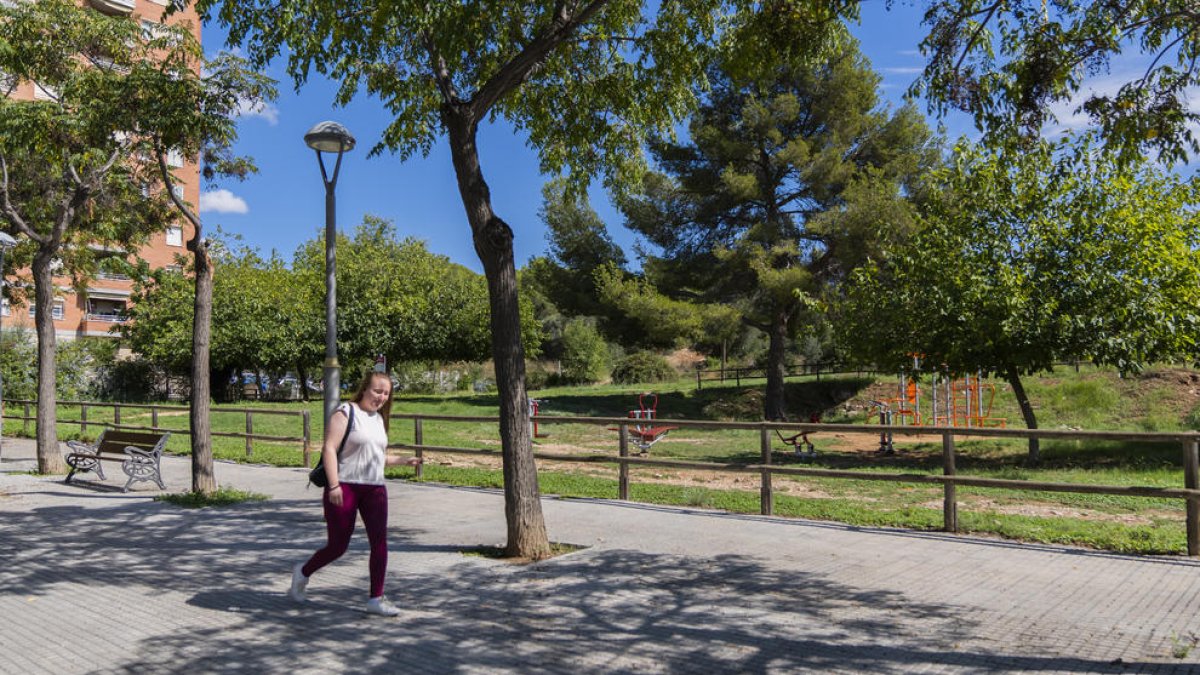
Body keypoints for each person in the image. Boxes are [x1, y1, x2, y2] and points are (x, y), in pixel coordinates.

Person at [288, 370, 421, 616]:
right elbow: (329, 449)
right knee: (338, 546)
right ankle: (303, 572)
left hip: (374, 488)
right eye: (377, 391)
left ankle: (376, 599)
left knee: (379, 543)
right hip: (345, 485)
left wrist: (403, 461)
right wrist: (334, 484)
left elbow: (375, 457)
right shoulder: (345, 413)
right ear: (364, 389)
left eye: (386, 393)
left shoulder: (379, 420)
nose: (381, 397)